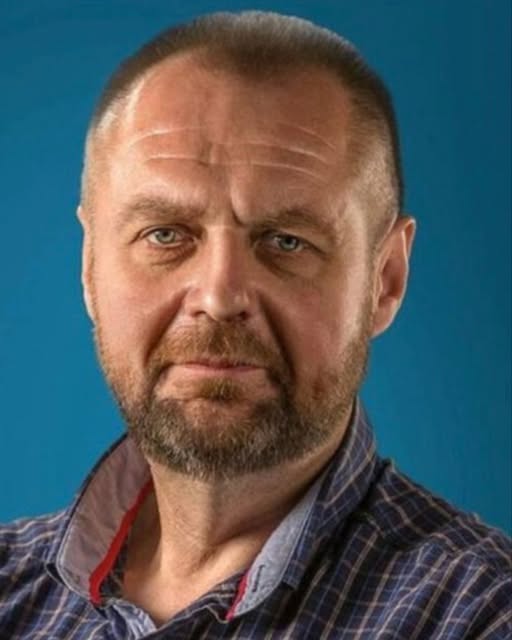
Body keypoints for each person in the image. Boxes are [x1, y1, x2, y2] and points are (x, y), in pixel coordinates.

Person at [0, 10, 510, 639]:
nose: (219, 296)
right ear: (89, 266)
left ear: (385, 280)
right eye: (165, 234)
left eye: (286, 241)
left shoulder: (481, 616)